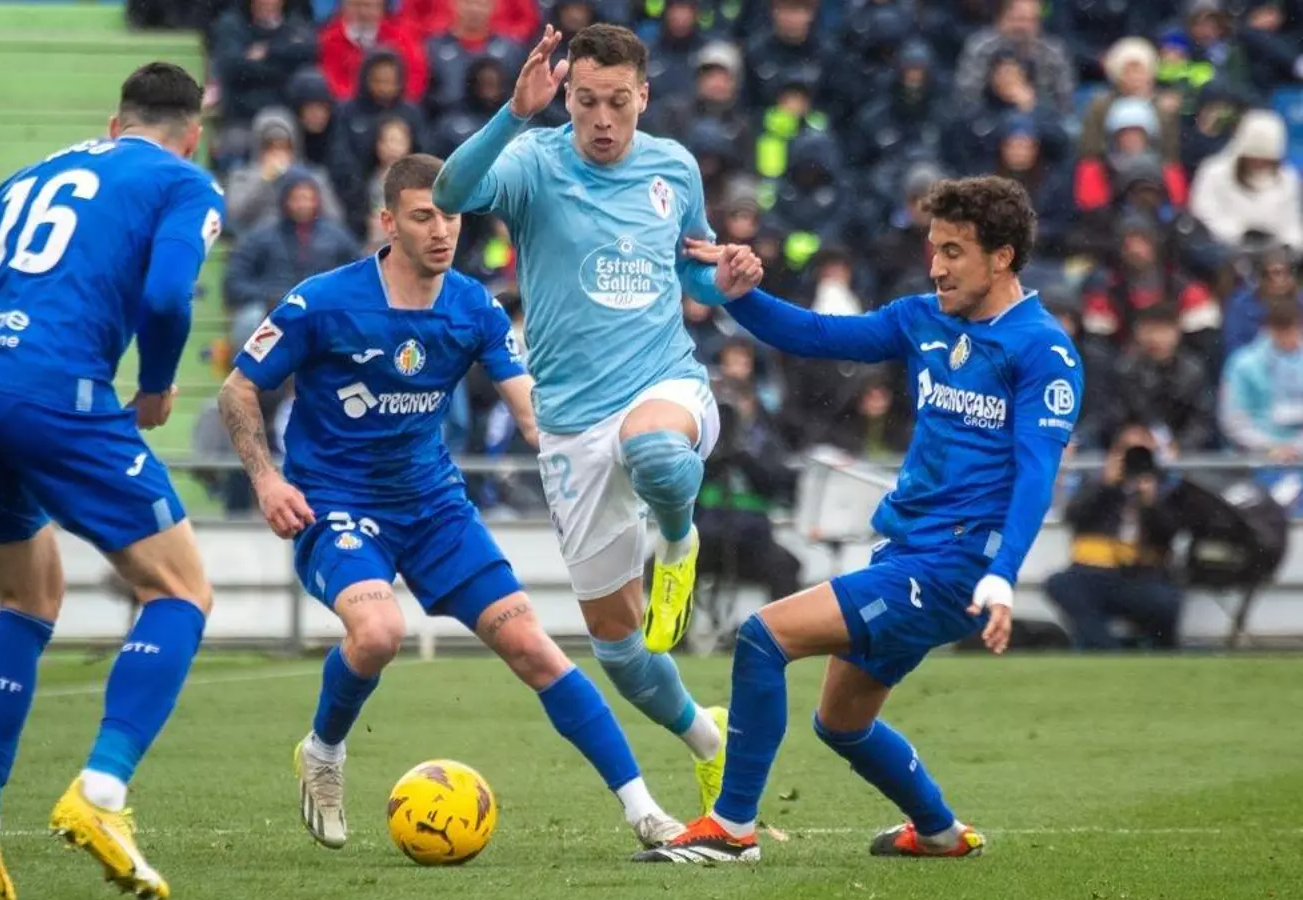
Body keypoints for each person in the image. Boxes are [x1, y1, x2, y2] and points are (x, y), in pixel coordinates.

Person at [218, 153, 688, 850]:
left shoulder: (473, 306)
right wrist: (266, 479)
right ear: (388, 223)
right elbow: (238, 388)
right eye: (423, 217)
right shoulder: (324, 302)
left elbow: (533, 416)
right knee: (379, 633)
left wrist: (613, 444)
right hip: (338, 504)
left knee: (534, 647)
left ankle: (644, 812)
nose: (441, 230)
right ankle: (323, 751)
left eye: (451, 216)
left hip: (435, 508)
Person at [635, 176, 1083, 863]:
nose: (936, 267)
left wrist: (1001, 574)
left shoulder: (1043, 351)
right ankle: (938, 832)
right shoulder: (924, 318)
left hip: (956, 566)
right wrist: (734, 290)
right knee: (841, 722)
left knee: (763, 637)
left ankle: (732, 828)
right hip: (908, 551)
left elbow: (1036, 473)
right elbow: (814, 334)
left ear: (1002, 257)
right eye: (934, 248)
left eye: (954, 251)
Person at [0, 62, 224, 900]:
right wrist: (157, 384)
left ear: (114, 124)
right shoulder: (185, 182)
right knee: (180, 591)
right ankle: (102, 792)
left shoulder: (24, 179)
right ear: (192, 135)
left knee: (28, 600)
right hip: (51, 388)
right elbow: (167, 299)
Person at [430, 23, 761, 809]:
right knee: (620, 651)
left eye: (618, 102)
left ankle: (678, 543)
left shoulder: (674, 167)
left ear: (643, 96)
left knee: (657, 451)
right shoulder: (533, 162)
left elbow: (695, 273)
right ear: (567, 97)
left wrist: (727, 277)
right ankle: (710, 743)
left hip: (663, 384)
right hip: (572, 424)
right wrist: (515, 112)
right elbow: (450, 194)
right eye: (585, 102)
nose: (603, 119)